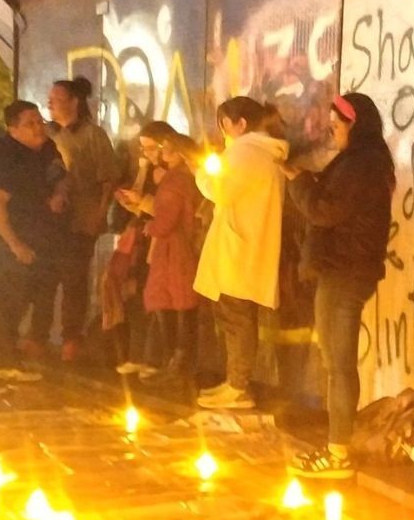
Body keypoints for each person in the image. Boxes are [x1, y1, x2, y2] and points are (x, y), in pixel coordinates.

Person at [287, 93, 394, 478]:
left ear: (356, 125)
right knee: (337, 363)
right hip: (343, 270)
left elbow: (324, 210)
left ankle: (338, 455)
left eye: (337, 126)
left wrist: (300, 183)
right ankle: (337, 447)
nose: (332, 133)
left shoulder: (362, 164)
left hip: (344, 271)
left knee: (338, 365)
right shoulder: (361, 162)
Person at [193, 96, 288, 411]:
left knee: (237, 318)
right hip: (247, 246)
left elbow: (219, 189)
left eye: (224, 124)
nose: (222, 132)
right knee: (237, 317)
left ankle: (238, 386)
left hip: (239, 249)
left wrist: (201, 174)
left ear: (241, 124)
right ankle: (234, 382)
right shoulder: (263, 153)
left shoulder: (246, 152)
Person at [31, 76, 120, 362]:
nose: (50, 104)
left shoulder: (93, 135)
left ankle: (71, 339)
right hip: (49, 221)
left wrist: (98, 213)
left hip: (81, 220)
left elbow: (109, 179)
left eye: (56, 99)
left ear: (74, 101)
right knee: (44, 279)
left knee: (73, 281)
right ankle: (38, 336)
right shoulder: (46, 134)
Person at [0, 101, 68, 382]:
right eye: (30, 123)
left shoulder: (47, 149)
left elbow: (61, 177)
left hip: (41, 237)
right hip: (7, 241)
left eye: (39, 121)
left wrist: (58, 194)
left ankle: (12, 355)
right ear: (13, 129)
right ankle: (1, 359)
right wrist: (15, 244)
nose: (38, 127)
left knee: (30, 294)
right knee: (6, 298)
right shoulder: (6, 157)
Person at [140, 127, 202, 387]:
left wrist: (151, 226)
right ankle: (175, 364)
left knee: (174, 302)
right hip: (179, 248)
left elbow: (166, 219)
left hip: (173, 250)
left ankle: (176, 365)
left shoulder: (176, 181)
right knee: (179, 303)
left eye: (166, 149)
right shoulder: (184, 178)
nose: (162, 153)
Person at [104, 122, 167, 377]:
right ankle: (137, 354)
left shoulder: (173, 174)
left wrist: (142, 202)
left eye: (151, 149)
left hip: (160, 240)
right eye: (143, 149)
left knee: (155, 299)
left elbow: (169, 211)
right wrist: (134, 199)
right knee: (136, 294)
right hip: (142, 238)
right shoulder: (148, 169)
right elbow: (143, 204)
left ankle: (153, 358)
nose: (147, 154)